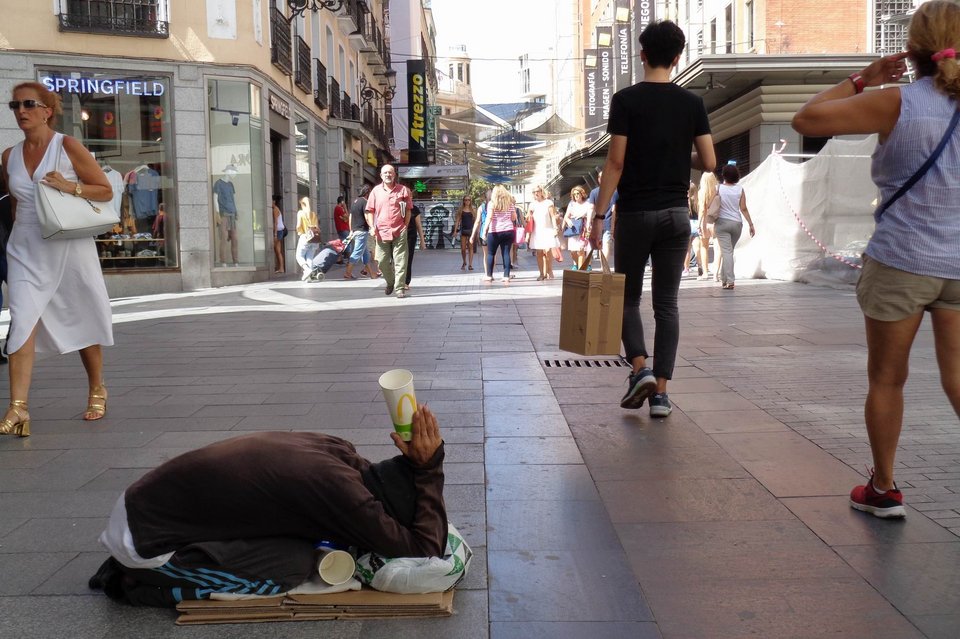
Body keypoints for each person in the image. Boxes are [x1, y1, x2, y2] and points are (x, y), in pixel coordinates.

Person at [792, 0, 960, 519]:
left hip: (901, 261)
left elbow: (807, 118)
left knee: (887, 378)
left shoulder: (896, 103)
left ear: (913, 50)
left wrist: (863, 79)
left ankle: (884, 489)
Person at [89, 405, 448, 607]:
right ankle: (142, 583)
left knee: (302, 543)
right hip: (145, 542)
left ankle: (172, 559)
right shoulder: (344, 498)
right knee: (290, 568)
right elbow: (425, 551)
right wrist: (429, 471)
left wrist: (418, 464)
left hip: (147, 505)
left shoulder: (340, 452)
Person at [592, 21, 716, 417]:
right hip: (676, 216)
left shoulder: (625, 100)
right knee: (667, 304)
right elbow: (709, 161)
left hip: (634, 214)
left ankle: (640, 368)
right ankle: (660, 394)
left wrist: (598, 215)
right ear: (678, 58)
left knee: (627, 298)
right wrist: (678, 154)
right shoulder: (692, 103)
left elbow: (615, 162)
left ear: (642, 54)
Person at [0, 81, 115, 437]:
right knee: (22, 320)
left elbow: (105, 190)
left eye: (28, 104)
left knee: (82, 313)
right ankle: (18, 407)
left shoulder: (67, 146)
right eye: (15, 105)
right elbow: (15, 204)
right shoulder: (8, 156)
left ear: (47, 111)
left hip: (69, 244)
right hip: (26, 246)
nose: (21, 111)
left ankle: (97, 387)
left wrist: (69, 186)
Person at [366, 164, 413, 299]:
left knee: (401, 260)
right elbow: (369, 211)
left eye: (390, 172)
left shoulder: (403, 190)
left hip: (399, 230)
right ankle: (391, 282)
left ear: (394, 175)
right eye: (385, 173)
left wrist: (405, 226)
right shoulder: (375, 191)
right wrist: (372, 227)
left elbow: (408, 210)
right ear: (381, 175)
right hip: (381, 231)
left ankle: (399, 288)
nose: (388, 175)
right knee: (381, 261)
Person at [712, 163, 756, 290]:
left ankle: (730, 280)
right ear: (736, 176)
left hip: (721, 223)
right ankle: (724, 279)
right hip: (737, 224)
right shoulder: (740, 189)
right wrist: (751, 224)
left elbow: (710, 204)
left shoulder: (718, 188)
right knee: (728, 251)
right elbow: (743, 208)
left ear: (724, 175)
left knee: (727, 252)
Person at [480, 185, 518, 283]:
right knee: (506, 253)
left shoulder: (492, 203)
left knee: (491, 253)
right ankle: (506, 276)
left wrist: (484, 231)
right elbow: (514, 217)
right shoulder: (510, 204)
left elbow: (489, 217)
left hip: (494, 231)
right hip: (508, 230)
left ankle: (489, 275)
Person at [344, 184, 377, 280]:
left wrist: (351, 230)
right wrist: (372, 227)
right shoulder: (365, 202)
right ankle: (348, 272)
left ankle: (372, 274)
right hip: (362, 231)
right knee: (357, 252)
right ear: (367, 193)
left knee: (365, 254)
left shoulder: (354, 202)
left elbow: (350, 217)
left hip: (355, 231)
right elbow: (367, 216)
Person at [587, 170, 618, 272]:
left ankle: (603, 267)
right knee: (606, 245)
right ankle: (603, 267)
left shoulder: (594, 192)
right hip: (607, 223)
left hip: (598, 224)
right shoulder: (614, 192)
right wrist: (613, 227)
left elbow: (591, 209)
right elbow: (614, 210)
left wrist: (589, 223)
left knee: (600, 245)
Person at [528, 184, 559, 281]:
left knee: (548, 251)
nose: (536, 193)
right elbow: (529, 219)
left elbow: (552, 216)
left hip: (547, 230)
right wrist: (528, 233)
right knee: (539, 253)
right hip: (537, 232)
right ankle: (541, 273)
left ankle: (549, 270)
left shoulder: (548, 203)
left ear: (541, 192)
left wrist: (555, 228)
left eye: (538, 191)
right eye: (534, 192)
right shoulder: (532, 204)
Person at [561, 185, 593, 270]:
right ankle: (580, 265)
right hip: (573, 229)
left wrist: (584, 217)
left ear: (582, 193)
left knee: (582, 250)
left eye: (578, 193)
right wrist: (568, 221)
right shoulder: (571, 203)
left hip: (583, 228)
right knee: (573, 251)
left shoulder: (588, 202)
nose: (576, 195)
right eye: (574, 194)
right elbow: (566, 216)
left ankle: (583, 267)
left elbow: (591, 215)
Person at [213, 165, 239, 267]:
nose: (235, 173)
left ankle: (235, 261)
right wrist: (217, 213)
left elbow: (233, 199)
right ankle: (223, 261)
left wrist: (236, 211)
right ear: (228, 171)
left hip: (232, 213)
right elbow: (215, 198)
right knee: (223, 238)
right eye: (233, 171)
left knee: (235, 238)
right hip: (223, 213)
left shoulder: (231, 184)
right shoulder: (218, 183)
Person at [697, 170, 720, 280]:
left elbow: (702, 210)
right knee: (718, 248)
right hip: (717, 221)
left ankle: (705, 273)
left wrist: (699, 224)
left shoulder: (701, 192)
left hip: (705, 222)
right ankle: (716, 274)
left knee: (704, 247)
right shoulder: (718, 191)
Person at [294, 196, 320, 281]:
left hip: (305, 237)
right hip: (314, 239)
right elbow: (317, 227)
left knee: (299, 256)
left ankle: (307, 269)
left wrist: (299, 231)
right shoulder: (313, 214)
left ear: (302, 204)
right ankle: (309, 277)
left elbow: (298, 225)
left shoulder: (300, 213)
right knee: (310, 258)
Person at [404, 203, 427, 291]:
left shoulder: (414, 209)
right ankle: (396, 280)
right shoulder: (397, 206)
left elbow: (419, 225)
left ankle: (406, 282)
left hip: (410, 237)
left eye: (410, 196)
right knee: (396, 259)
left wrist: (422, 241)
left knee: (408, 259)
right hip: (398, 236)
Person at [470, 189, 492, 273]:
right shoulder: (495, 206)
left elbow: (477, 222)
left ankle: (487, 273)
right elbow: (477, 222)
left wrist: (473, 235)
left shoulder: (481, 207)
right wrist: (473, 235)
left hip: (485, 233)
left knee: (486, 255)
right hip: (491, 232)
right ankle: (490, 273)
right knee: (491, 254)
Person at [453, 195, 476, 271]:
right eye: (466, 200)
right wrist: (455, 231)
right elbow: (457, 221)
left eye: (469, 200)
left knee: (470, 248)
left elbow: (476, 221)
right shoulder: (461, 210)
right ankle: (464, 261)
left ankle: (470, 264)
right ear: (463, 201)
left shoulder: (473, 210)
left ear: (470, 201)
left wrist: (476, 231)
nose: (467, 201)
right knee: (463, 249)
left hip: (471, 231)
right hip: (463, 231)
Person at [333, 195, 350, 264]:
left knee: (342, 243)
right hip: (343, 228)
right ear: (342, 202)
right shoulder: (339, 208)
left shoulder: (338, 209)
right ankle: (350, 260)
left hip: (341, 228)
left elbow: (345, 219)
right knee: (347, 243)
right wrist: (345, 208)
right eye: (344, 202)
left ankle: (339, 258)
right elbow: (347, 217)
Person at [272, 195, 286, 274]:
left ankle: (280, 268)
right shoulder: (277, 209)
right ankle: (281, 268)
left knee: (276, 250)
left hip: (278, 231)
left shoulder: (275, 209)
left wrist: (275, 234)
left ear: (274, 201)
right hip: (280, 231)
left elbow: (276, 223)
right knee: (278, 251)